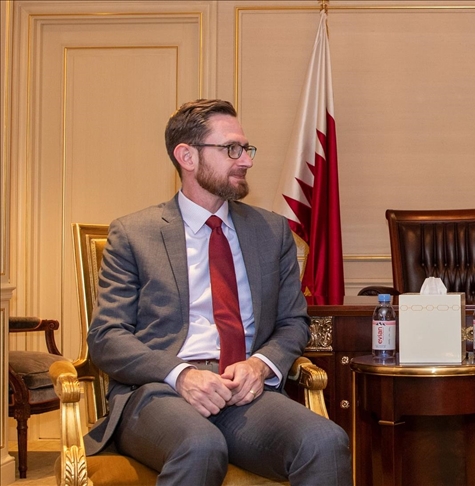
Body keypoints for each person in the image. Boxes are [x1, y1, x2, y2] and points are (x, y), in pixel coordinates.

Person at [85, 99, 352, 486]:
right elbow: (106, 336)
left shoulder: (271, 231)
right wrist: (181, 374)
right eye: (231, 149)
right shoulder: (134, 234)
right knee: (200, 446)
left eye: (246, 148)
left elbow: (293, 322)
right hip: (159, 392)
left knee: (325, 441)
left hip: (243, 393)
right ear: (187, 156)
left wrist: (260, 365)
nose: (247, 160)